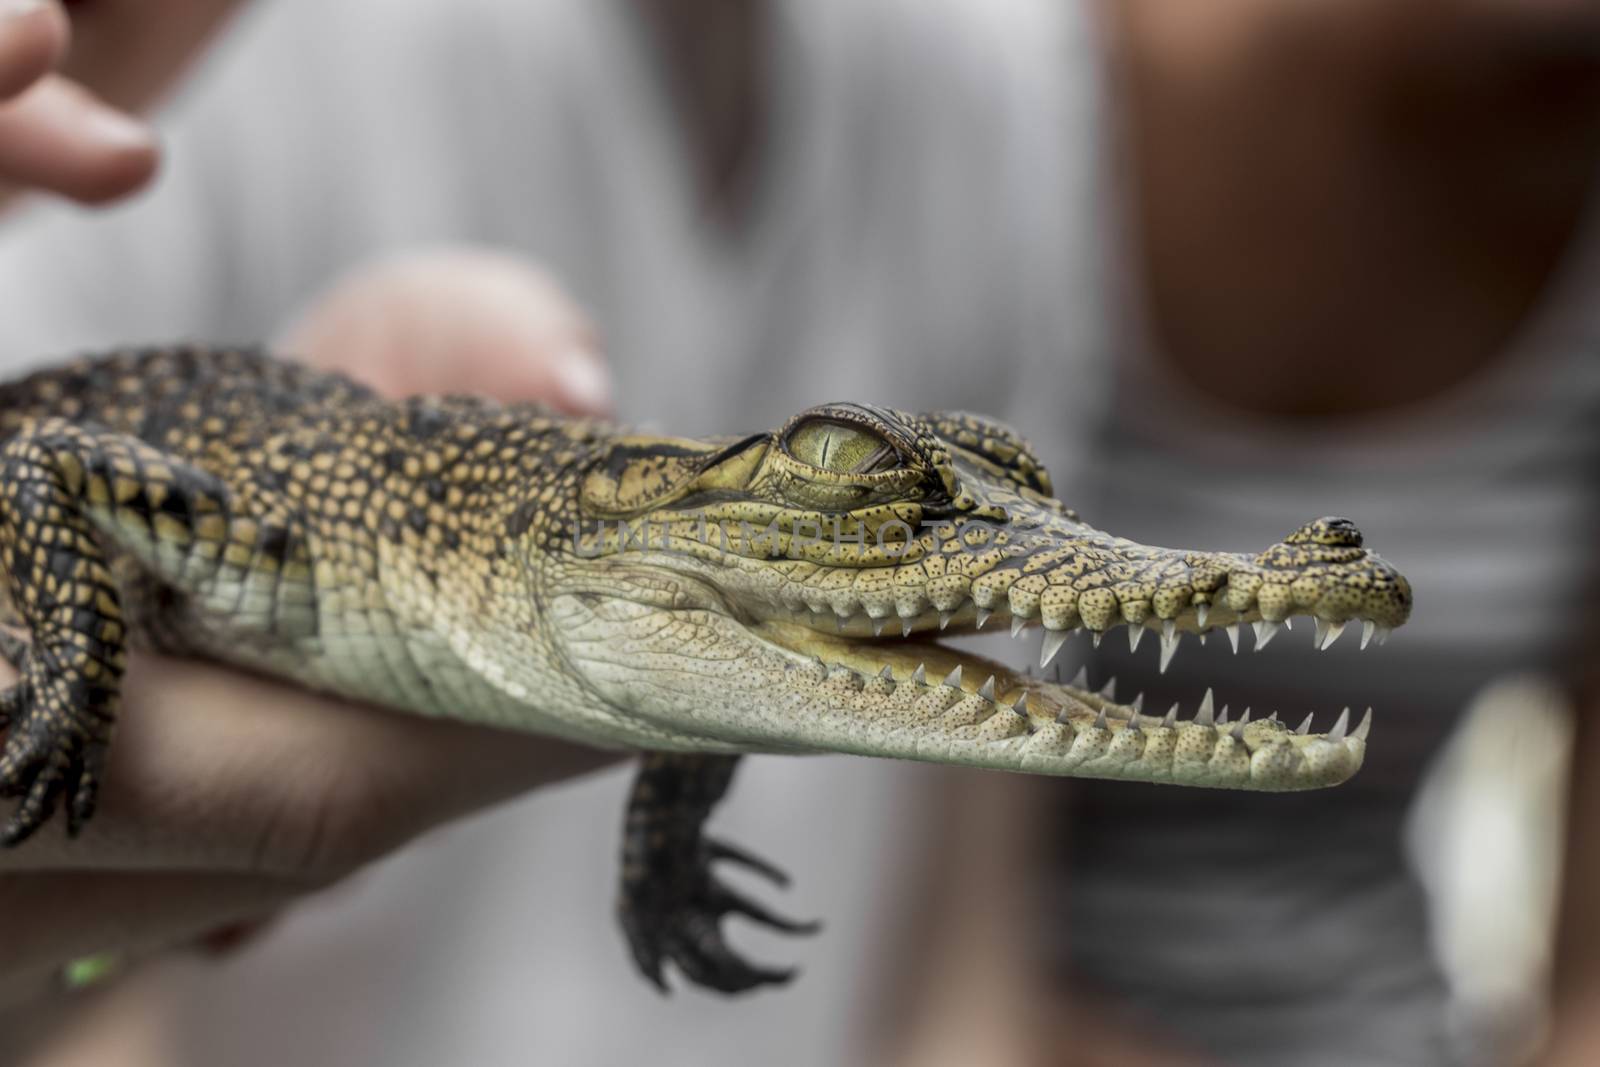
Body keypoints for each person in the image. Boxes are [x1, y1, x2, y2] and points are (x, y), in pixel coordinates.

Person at [1, 1, 1598, 1065]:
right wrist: (63, 694)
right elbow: (44, 472)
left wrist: (666, 833)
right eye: (855, 474)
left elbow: (739, 683)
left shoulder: (985, 87)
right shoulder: (220, 79)